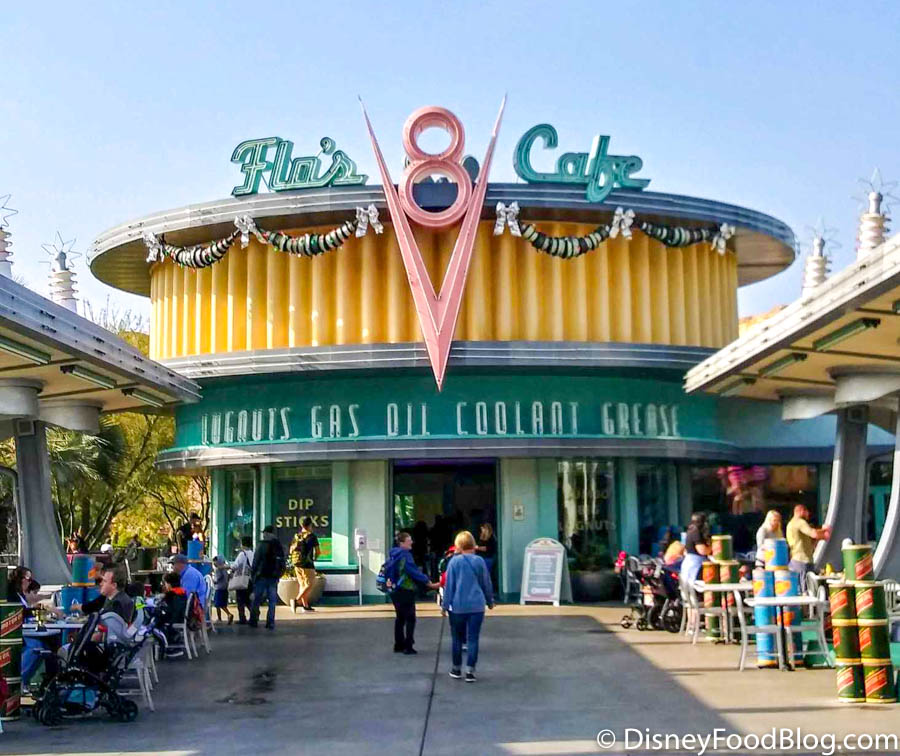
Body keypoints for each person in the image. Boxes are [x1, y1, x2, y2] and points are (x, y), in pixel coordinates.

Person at [442, 530, 494, 682]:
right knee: (473, 638)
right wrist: (489, 600)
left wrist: (445, 605)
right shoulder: (479, 561)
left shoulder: (454, 562)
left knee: (457, 639)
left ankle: (456, 669)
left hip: (458, 606)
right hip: (476, 606)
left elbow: (449, 586)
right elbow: (486, 583)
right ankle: (470, 671)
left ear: (458, 545)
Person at [8, 567, 62, 688]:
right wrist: (42, 609)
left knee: (49, 645)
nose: (30, 582)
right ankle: (19, 680)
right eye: (29, 579)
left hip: (24, 629)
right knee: (36, 646)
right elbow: (21, 612)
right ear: (21, 579)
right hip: (16, 632)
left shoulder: (20, 594)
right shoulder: (11, 595)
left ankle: (49, 681)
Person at [387, 531, 439, 654]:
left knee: (400, 617)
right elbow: (413, 571)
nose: (411, 542)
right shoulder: (405, 555)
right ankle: (408, 645)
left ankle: (398, 644)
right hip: (406, 589)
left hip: (395, 589)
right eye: (409, 540)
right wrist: (428, 582)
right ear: (402, 543)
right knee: (410, 618)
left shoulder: (393, 554)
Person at [250, 524, 286, 629]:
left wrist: (253, 574)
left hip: (261, 575)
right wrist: (279, 574)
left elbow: (256, 561)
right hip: (273, 576)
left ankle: (254, 620)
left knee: (257, 599)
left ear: (266, 533)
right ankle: (270, 622)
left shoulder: (262, 545)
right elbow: (282, 561)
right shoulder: (278, 545)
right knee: (272, 601)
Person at [786, 504, 830, 586]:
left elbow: (807, 541)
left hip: (794, 560)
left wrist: (819, 538)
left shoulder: (790, 524)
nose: (808, 514)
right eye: (806, 512)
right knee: (807, 588)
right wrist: (825, 530)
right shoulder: (800, 522)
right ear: (801, 511)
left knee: (797, 587)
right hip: (803, 561)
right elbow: (814, 534)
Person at [289, 517, 320, 613]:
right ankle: (296, 600)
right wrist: (314, 559)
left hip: (297, 563)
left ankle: (305, 606)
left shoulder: (297, 536)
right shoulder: (312, 536)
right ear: (310, 525)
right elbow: (318, 552)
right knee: (310, 584)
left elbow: (291, 550)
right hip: (307, 564)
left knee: (303, 585)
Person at [156, 572, 188, 652]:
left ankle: (165, 644)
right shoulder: (182, 592)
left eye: (165, 583)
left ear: (169, 584)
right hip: (182, 617)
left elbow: (169, 609)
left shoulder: (171, 595)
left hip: (174, 619)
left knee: (156, 621)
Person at [681, 513, 710, 586]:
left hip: (688, 563)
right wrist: (712, 548)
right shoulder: (696, 532)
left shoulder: (690, 530)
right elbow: (702, 550)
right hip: (696, 565)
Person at [232, 536, 255, 624]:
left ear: (243, 544)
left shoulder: (242, 554)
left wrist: (227, 567)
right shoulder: (253, 553)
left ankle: (242, 618)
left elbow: (235, 566)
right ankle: (254, 615)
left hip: (242, 579)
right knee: (248, 599)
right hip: (250, 579)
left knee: (240, 600)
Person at [212, 555, 233, 625]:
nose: (214, 563)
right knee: (222, 604)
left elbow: (217, 578)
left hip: (219, 588)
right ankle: (220, 618)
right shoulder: (224, 569)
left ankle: (228, 614)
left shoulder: (218, 569)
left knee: (218, 604)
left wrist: (213, 580)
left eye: (215, 562)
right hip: (225, 588)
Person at [474, 523, 498, 587]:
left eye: (483, 528)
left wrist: (477, 548)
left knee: (486, 574)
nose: (482, 530)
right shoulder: (482, 537)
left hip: (488, 558)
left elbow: (487, 548)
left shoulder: (491, 538)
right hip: (481, 557)